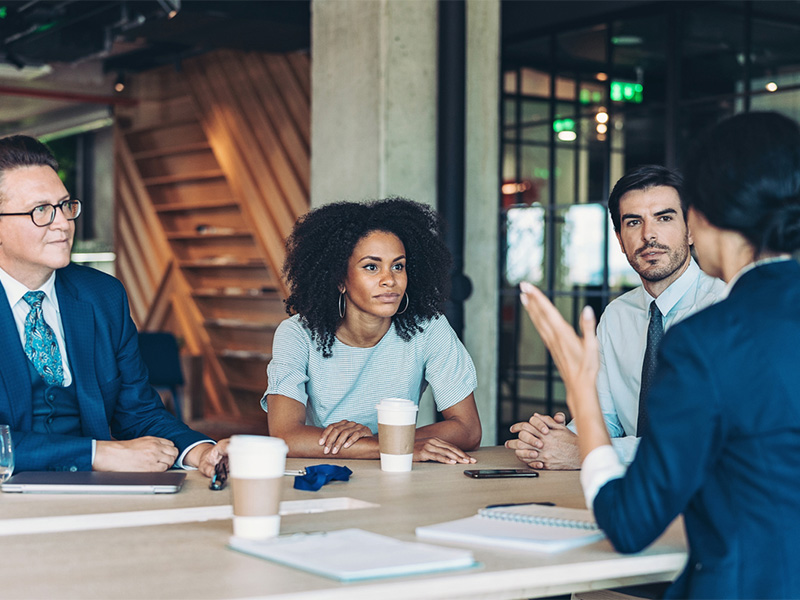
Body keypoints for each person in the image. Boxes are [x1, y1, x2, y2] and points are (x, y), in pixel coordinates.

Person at [519, 111, 800, 598]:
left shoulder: (708, 338)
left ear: (702, 218)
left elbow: (630, 524)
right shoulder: (627, 316)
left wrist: (580, 392)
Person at [0, 135, 224, 476]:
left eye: (64, 206)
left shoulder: (102, 296)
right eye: (41, 210)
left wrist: (201, 452)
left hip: (96, 495)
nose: (63, 223)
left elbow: (139, 411)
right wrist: (95, 454)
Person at [506, 166, 724, 469]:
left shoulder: (724, 311)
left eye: (664, 218)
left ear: (691, 230)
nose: (649, 235)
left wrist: (587, 452)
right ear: (620, 240)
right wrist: (553, 439)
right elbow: (604, 419)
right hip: (627, 492)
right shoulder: (617, 315)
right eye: (633, 222)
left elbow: (704, 440)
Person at [264, 198, 482, 464]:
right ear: (340, 279)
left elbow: (468, 428)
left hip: (396, 475)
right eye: (371, 266)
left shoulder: (429, 328)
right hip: (326, 477)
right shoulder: (297, 335)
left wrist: (382, 443)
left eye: (398, 266)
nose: (389, 279)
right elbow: (285, 436)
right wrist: (392, 447)